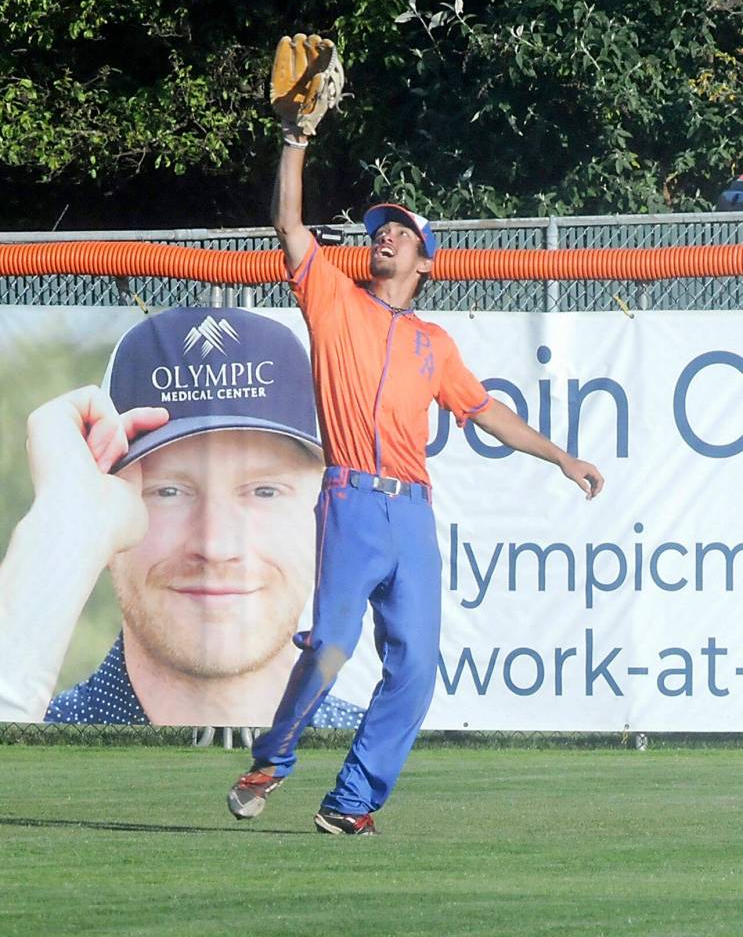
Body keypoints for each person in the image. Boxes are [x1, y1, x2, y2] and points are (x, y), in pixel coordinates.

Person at [226, 107, 605, 836]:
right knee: (331, 647)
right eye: (379, 228)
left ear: (425, 259)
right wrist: (295, 141)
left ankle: (352, 802)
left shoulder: (434, 342)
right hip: (351, 499)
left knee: (417, 669)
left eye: (400, 229)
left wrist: (560, 457)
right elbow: (287, 224)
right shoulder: (333, 299)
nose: (385, 234)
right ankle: (273, 756)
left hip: (412, 514)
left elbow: (485, 411)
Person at [0, 306, 363, 730]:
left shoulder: (390, 762)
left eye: (265, 491)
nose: (216, 546)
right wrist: (60, 526)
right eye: (168, 492)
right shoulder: (38, 745)